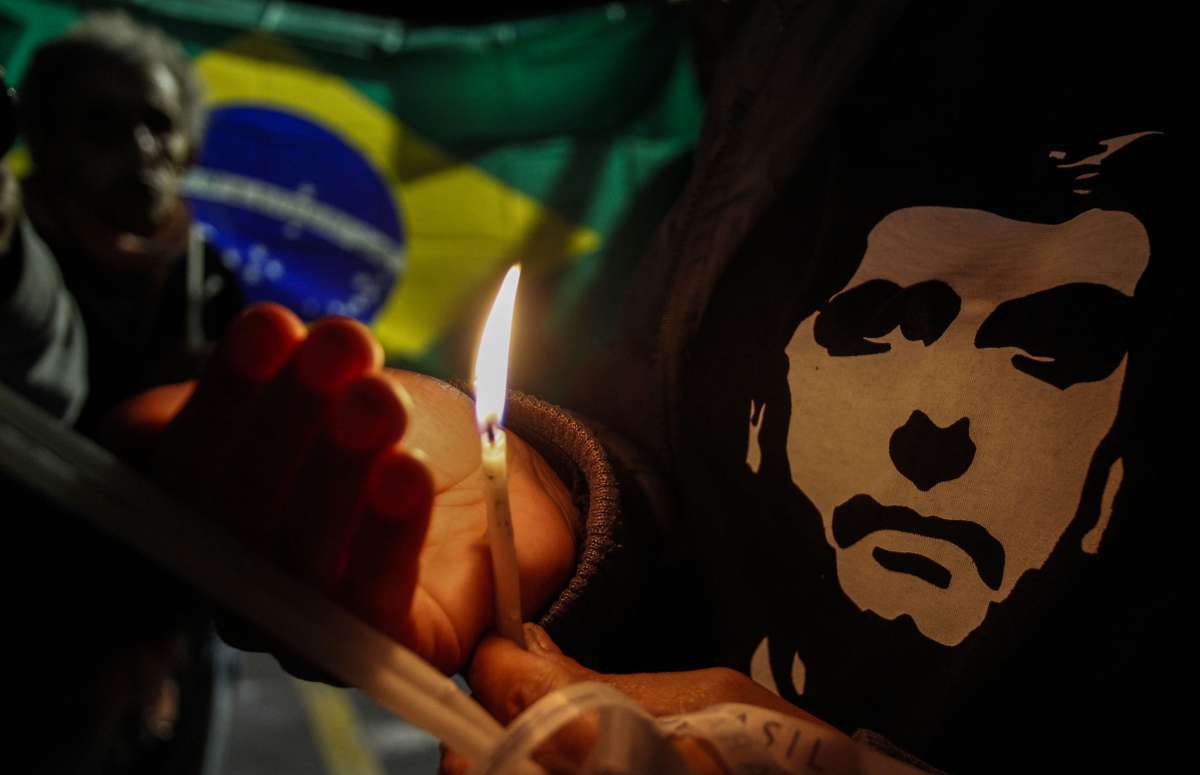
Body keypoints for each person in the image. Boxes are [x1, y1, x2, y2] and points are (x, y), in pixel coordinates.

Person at [111, 1, 1183, 772]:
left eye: (1053, 349)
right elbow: (684, 426)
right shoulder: (821, 39)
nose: (930, 431)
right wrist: (564, 510)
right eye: (872, 331)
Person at [19, 11, 243, 434]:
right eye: (103, 123)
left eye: (159, 124)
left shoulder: (208, 279)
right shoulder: (13, 251)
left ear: (189, 150)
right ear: (46, 137)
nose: (140, 148)